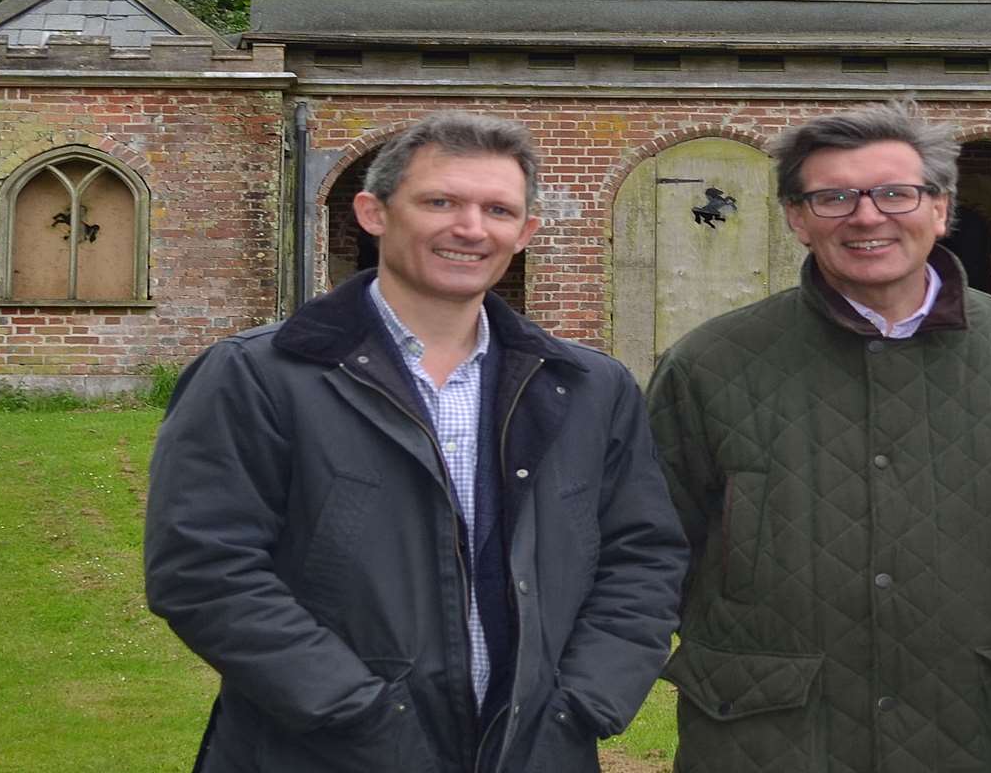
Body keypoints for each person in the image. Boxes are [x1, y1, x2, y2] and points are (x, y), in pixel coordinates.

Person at [144, 112, 686, 773]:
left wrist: (583, 701)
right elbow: (204, 569)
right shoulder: (261, 375)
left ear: (526, 232)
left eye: (497, 209)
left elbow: (644, 555)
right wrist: (358, 713)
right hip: (325, 752)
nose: (470, 228)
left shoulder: (588, 388)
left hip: (536, 749)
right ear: (374, 213)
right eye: (440, 202)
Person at [648, 102, 991, 773]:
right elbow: (664, 541)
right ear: (797, 218)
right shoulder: (709, 363)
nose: (867, 217)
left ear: (941, 209)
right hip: (774, 737)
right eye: (833, 197)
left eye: (896, 193)